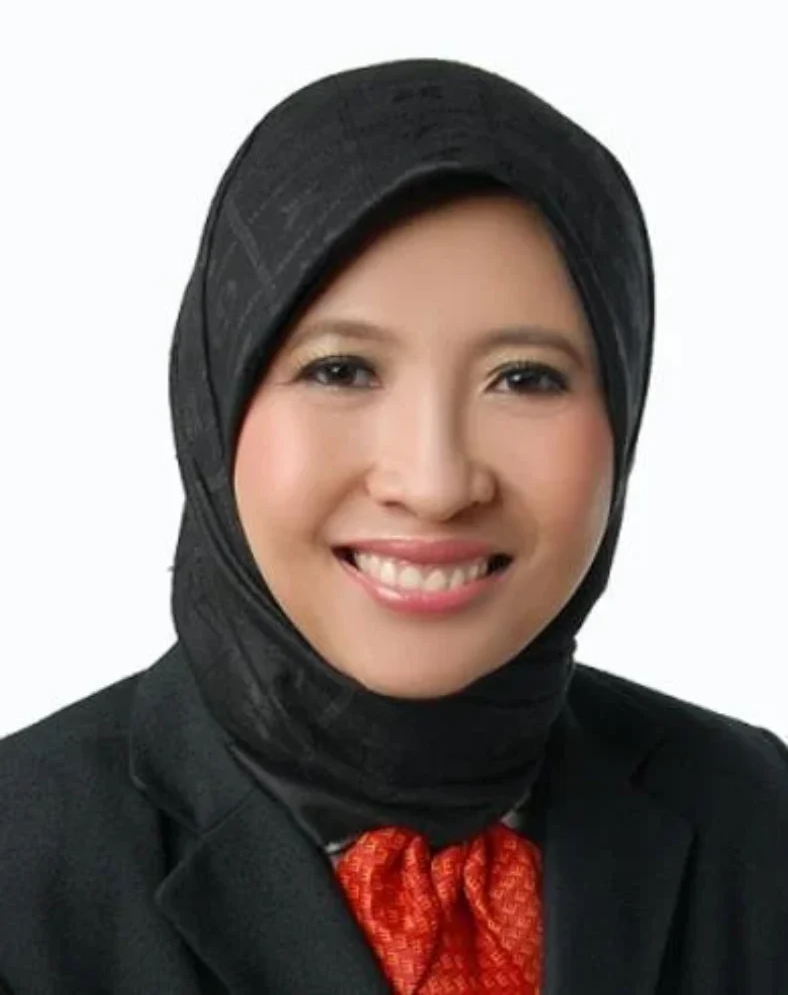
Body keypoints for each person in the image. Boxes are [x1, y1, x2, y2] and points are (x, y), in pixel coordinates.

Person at [0, 57, 785, 995]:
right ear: (215, 401)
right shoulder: (20, 863)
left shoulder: (758, 814)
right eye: (341, 370)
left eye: (526, 378)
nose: (436, 484)